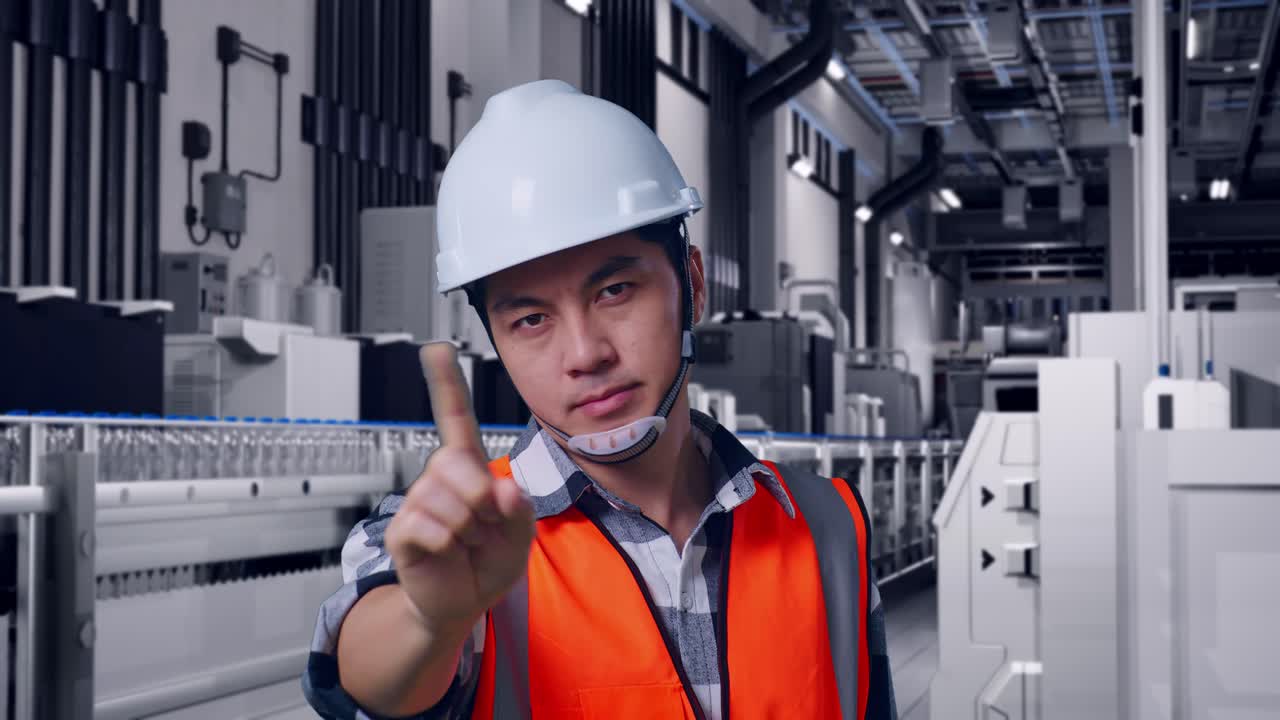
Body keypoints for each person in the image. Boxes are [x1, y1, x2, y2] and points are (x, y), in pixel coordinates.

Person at [303, 79, 895, 720]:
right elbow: (371, 675)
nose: (585, 353)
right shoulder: (462, 546)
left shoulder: (829, 524)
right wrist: (429, 621)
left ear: (692, 286)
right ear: (495, 339)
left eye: (614, 290)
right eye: (530, 320)